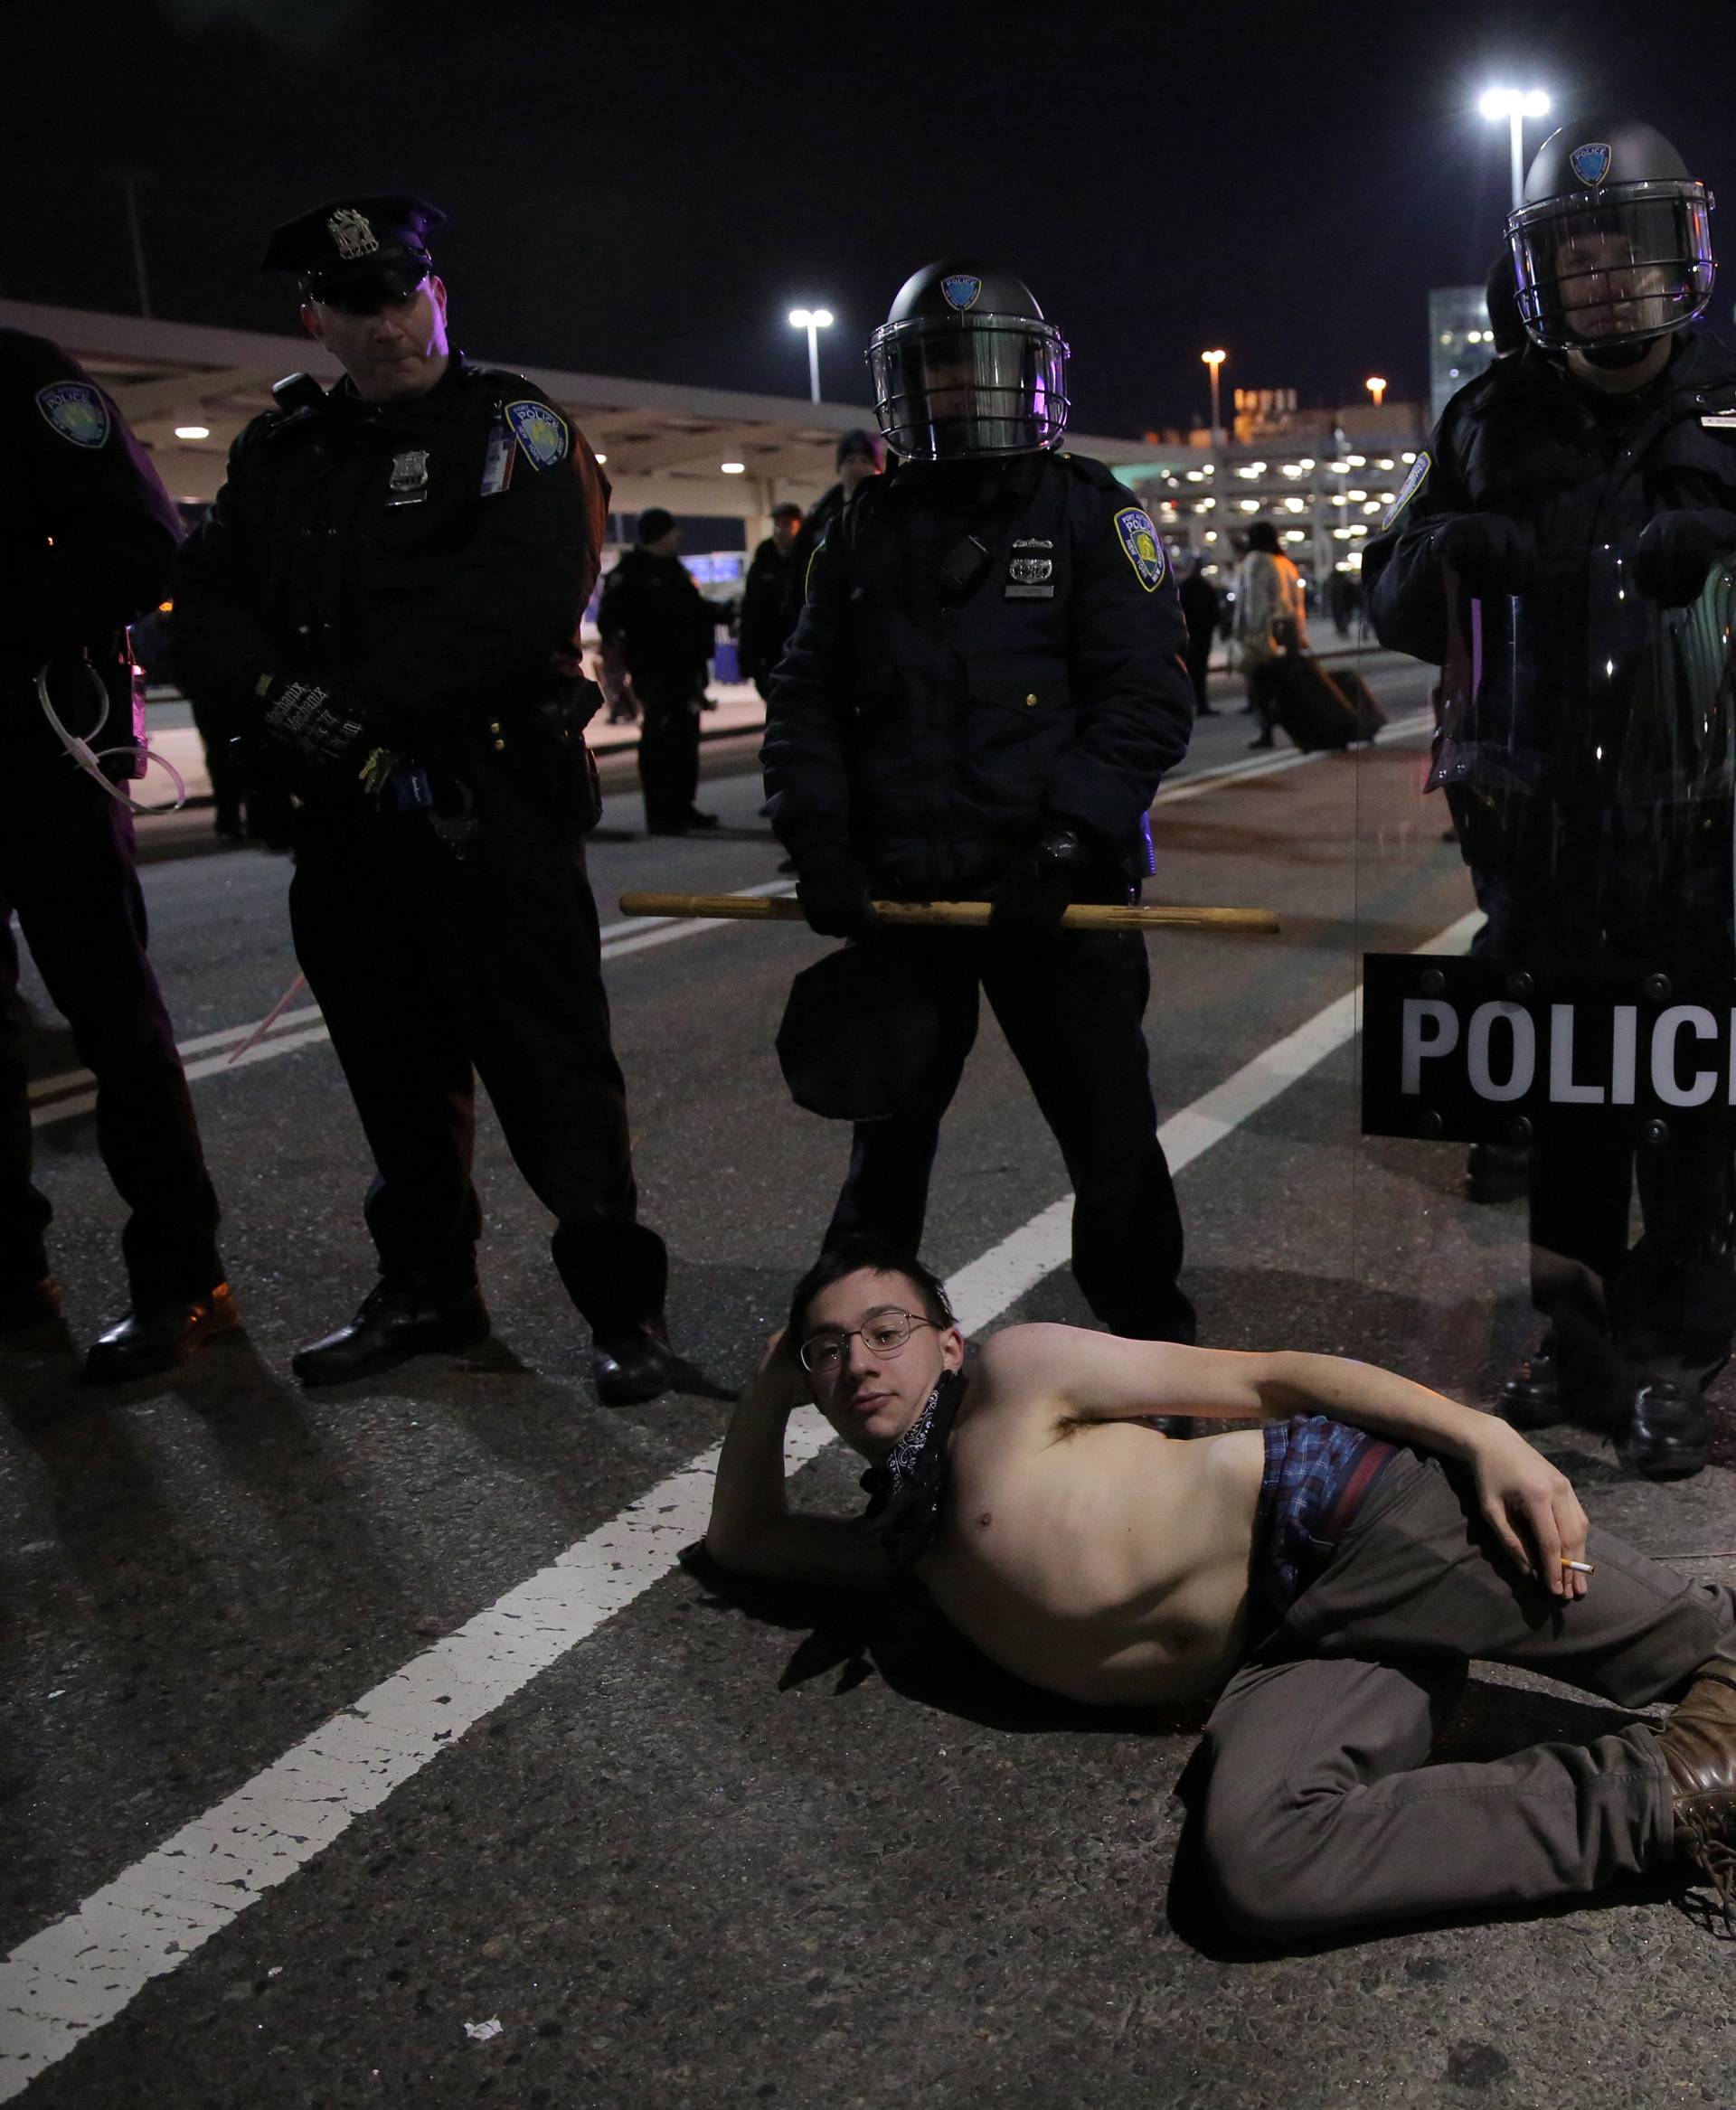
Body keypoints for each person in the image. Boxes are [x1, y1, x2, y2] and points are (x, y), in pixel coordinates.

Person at [705, 1239, 1736, 1944]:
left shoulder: (1015, 1377)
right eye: (826, 1351)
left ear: (948, 1343)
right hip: (1285, 1651)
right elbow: (746, 1539)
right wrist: (766, 1388)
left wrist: (1483, 1435)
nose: (856, 1363)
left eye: (885, 1332)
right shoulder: (905, 1542)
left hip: (1354, 1518)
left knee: (1699, 1645)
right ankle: (1679, 1797)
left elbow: (1271, 1378)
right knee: (1260, 1866)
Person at [173, 194, 678, 1403]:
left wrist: (355, 710)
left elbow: (515, 604)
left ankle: (623, 1312)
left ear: (437, 294)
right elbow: (207, 607)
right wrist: (292, 712)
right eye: (355, 305)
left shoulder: (515, 428)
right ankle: (427, 1293)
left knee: (555, 1077)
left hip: (486, 809)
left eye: (402, 294)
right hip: (346, 827)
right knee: (397, 1084)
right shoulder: (280, 452)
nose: (387, 322)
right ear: (315, 320)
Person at [1363, 116, 1736, 1480]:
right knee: (1569, 1120)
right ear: (1540, 275)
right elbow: (1389, 594)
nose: (1602, 282)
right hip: (1546, 843)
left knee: (1696, 1125)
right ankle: (1576, 1348)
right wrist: (1450, 550)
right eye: (1575, 258)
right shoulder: (1488, 416)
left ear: (1676, 259)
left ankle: (1676, 1361)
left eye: (1623, 252)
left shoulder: (1735, 397)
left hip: (1714, 841)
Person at [762, 259, 1197, 1345]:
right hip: (908, 902)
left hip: (1057, 896)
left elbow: (1145, 701)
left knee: (1111, 1144)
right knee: (885, 1141)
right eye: (942, 373)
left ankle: (1154, 1355)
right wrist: (817, 839)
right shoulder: (861, 529)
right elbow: (806, 696)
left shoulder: (1095, 515)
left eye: (983, 369)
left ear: (1034, 377)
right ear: (907, 390)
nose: (964, 395)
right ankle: (852, 1352)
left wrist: (1064, 842)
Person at [0, 327, 232, 1382]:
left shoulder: (26, 379)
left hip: (40, 751)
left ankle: (182, 1277)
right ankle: (12, 1276)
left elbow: (144, 546)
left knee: (113, 1022)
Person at [597, 508, 718, 834]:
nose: (677, 535)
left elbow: (693, 611)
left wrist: (723, 613)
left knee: (685, 738)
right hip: (656, 669)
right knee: (661, 740)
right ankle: (662, 814)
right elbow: (611, 621)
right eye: (671, 530)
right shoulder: (631, 573)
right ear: (659, 534)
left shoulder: (672, 570)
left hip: (684, 668)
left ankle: (682, 806)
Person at [1235, 520, 1307, 749]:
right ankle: (1302, 728)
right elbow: (1297, 603)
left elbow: (1252, 603)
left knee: (1260, 684)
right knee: (1287, 682)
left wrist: (1246, 633)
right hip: (1288, 628)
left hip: (1265, 631)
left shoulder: (1255, 561)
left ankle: (1266, 732)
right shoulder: (1284, 563)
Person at [736, 502, 805, 700]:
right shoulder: (763, 562)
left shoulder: (808, 558)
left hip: (800, 648)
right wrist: (747, 657)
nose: (781, 531)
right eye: (777, 525)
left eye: (787, 525)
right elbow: (751, 611)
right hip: (770, 651)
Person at [794, 429, 883, 572]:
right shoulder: (820, 515)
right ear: (840, 467)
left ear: (875, 467)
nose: (857, 467)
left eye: (864, 460)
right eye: (850, 461)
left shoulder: (887, 510)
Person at [1176, 559, 1221, 714]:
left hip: (1190, 634)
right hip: (1203, 634)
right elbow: (1215, 611)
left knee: (1188, 671)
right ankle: (1201, 704)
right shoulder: (1205, 587)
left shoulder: (1184, 588)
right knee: (1200, 672)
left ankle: (1190, 705)